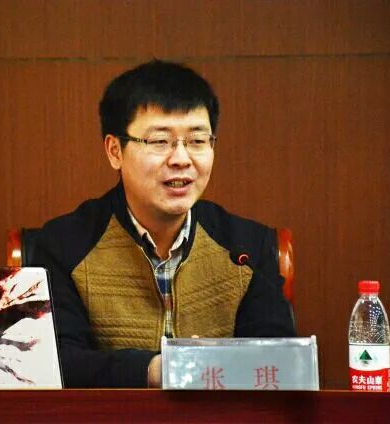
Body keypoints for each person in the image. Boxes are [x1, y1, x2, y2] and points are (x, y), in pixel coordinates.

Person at [33, 60, 295, 388]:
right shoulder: (64, 245)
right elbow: (56, 364)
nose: (181, 159)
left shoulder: (246, 247)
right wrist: (157, 369)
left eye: (197, 141)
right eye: (160, 142)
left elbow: (279, 363)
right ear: (115, 151)